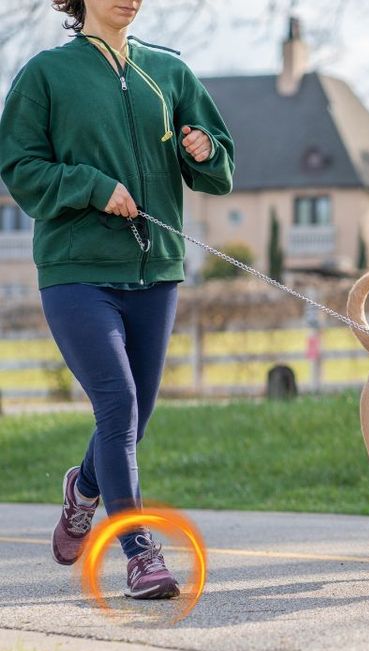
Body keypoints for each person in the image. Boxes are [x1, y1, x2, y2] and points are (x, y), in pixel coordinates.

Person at [0, 0, 234, 599]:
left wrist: (202, 149)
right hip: (77, 271)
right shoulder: (47, 74)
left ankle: (83, 490)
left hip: (156, 271)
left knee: (135, 414)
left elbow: (220, 168)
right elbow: (19, 167)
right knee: (118, 400)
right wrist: (92, 186)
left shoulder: (170, 71)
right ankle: (139, 553)